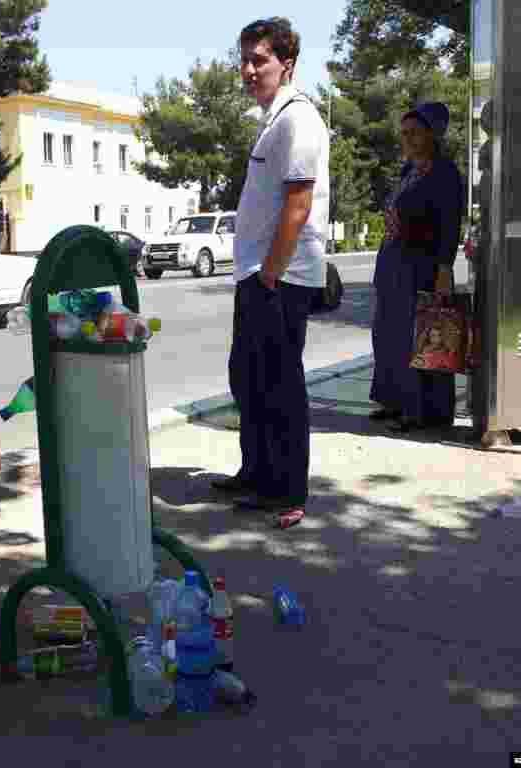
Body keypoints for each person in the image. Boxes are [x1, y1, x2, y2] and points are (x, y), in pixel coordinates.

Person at [210, 16, 329, 529]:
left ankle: (288, 491)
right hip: (257, 275)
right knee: (249, 379)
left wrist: (271, 276)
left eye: (260, 59)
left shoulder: (299, 119)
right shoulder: (272, 119)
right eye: (245, 59)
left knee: (280, 386)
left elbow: (298, 205)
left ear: (287, 64)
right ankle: (257, 474)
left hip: (278, 280)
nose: (249, 69)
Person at [369, 101, 465, 432]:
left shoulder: (445, 174)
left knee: (422, 337)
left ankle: (423, 410)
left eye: (414, 133)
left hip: (421, 265)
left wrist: (444, 269)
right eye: (404, 133)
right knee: (389, 336)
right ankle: (394, 401)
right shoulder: (407, 172)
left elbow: (450, 225)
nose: (406, 138)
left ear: (432, 135)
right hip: (393, 264)